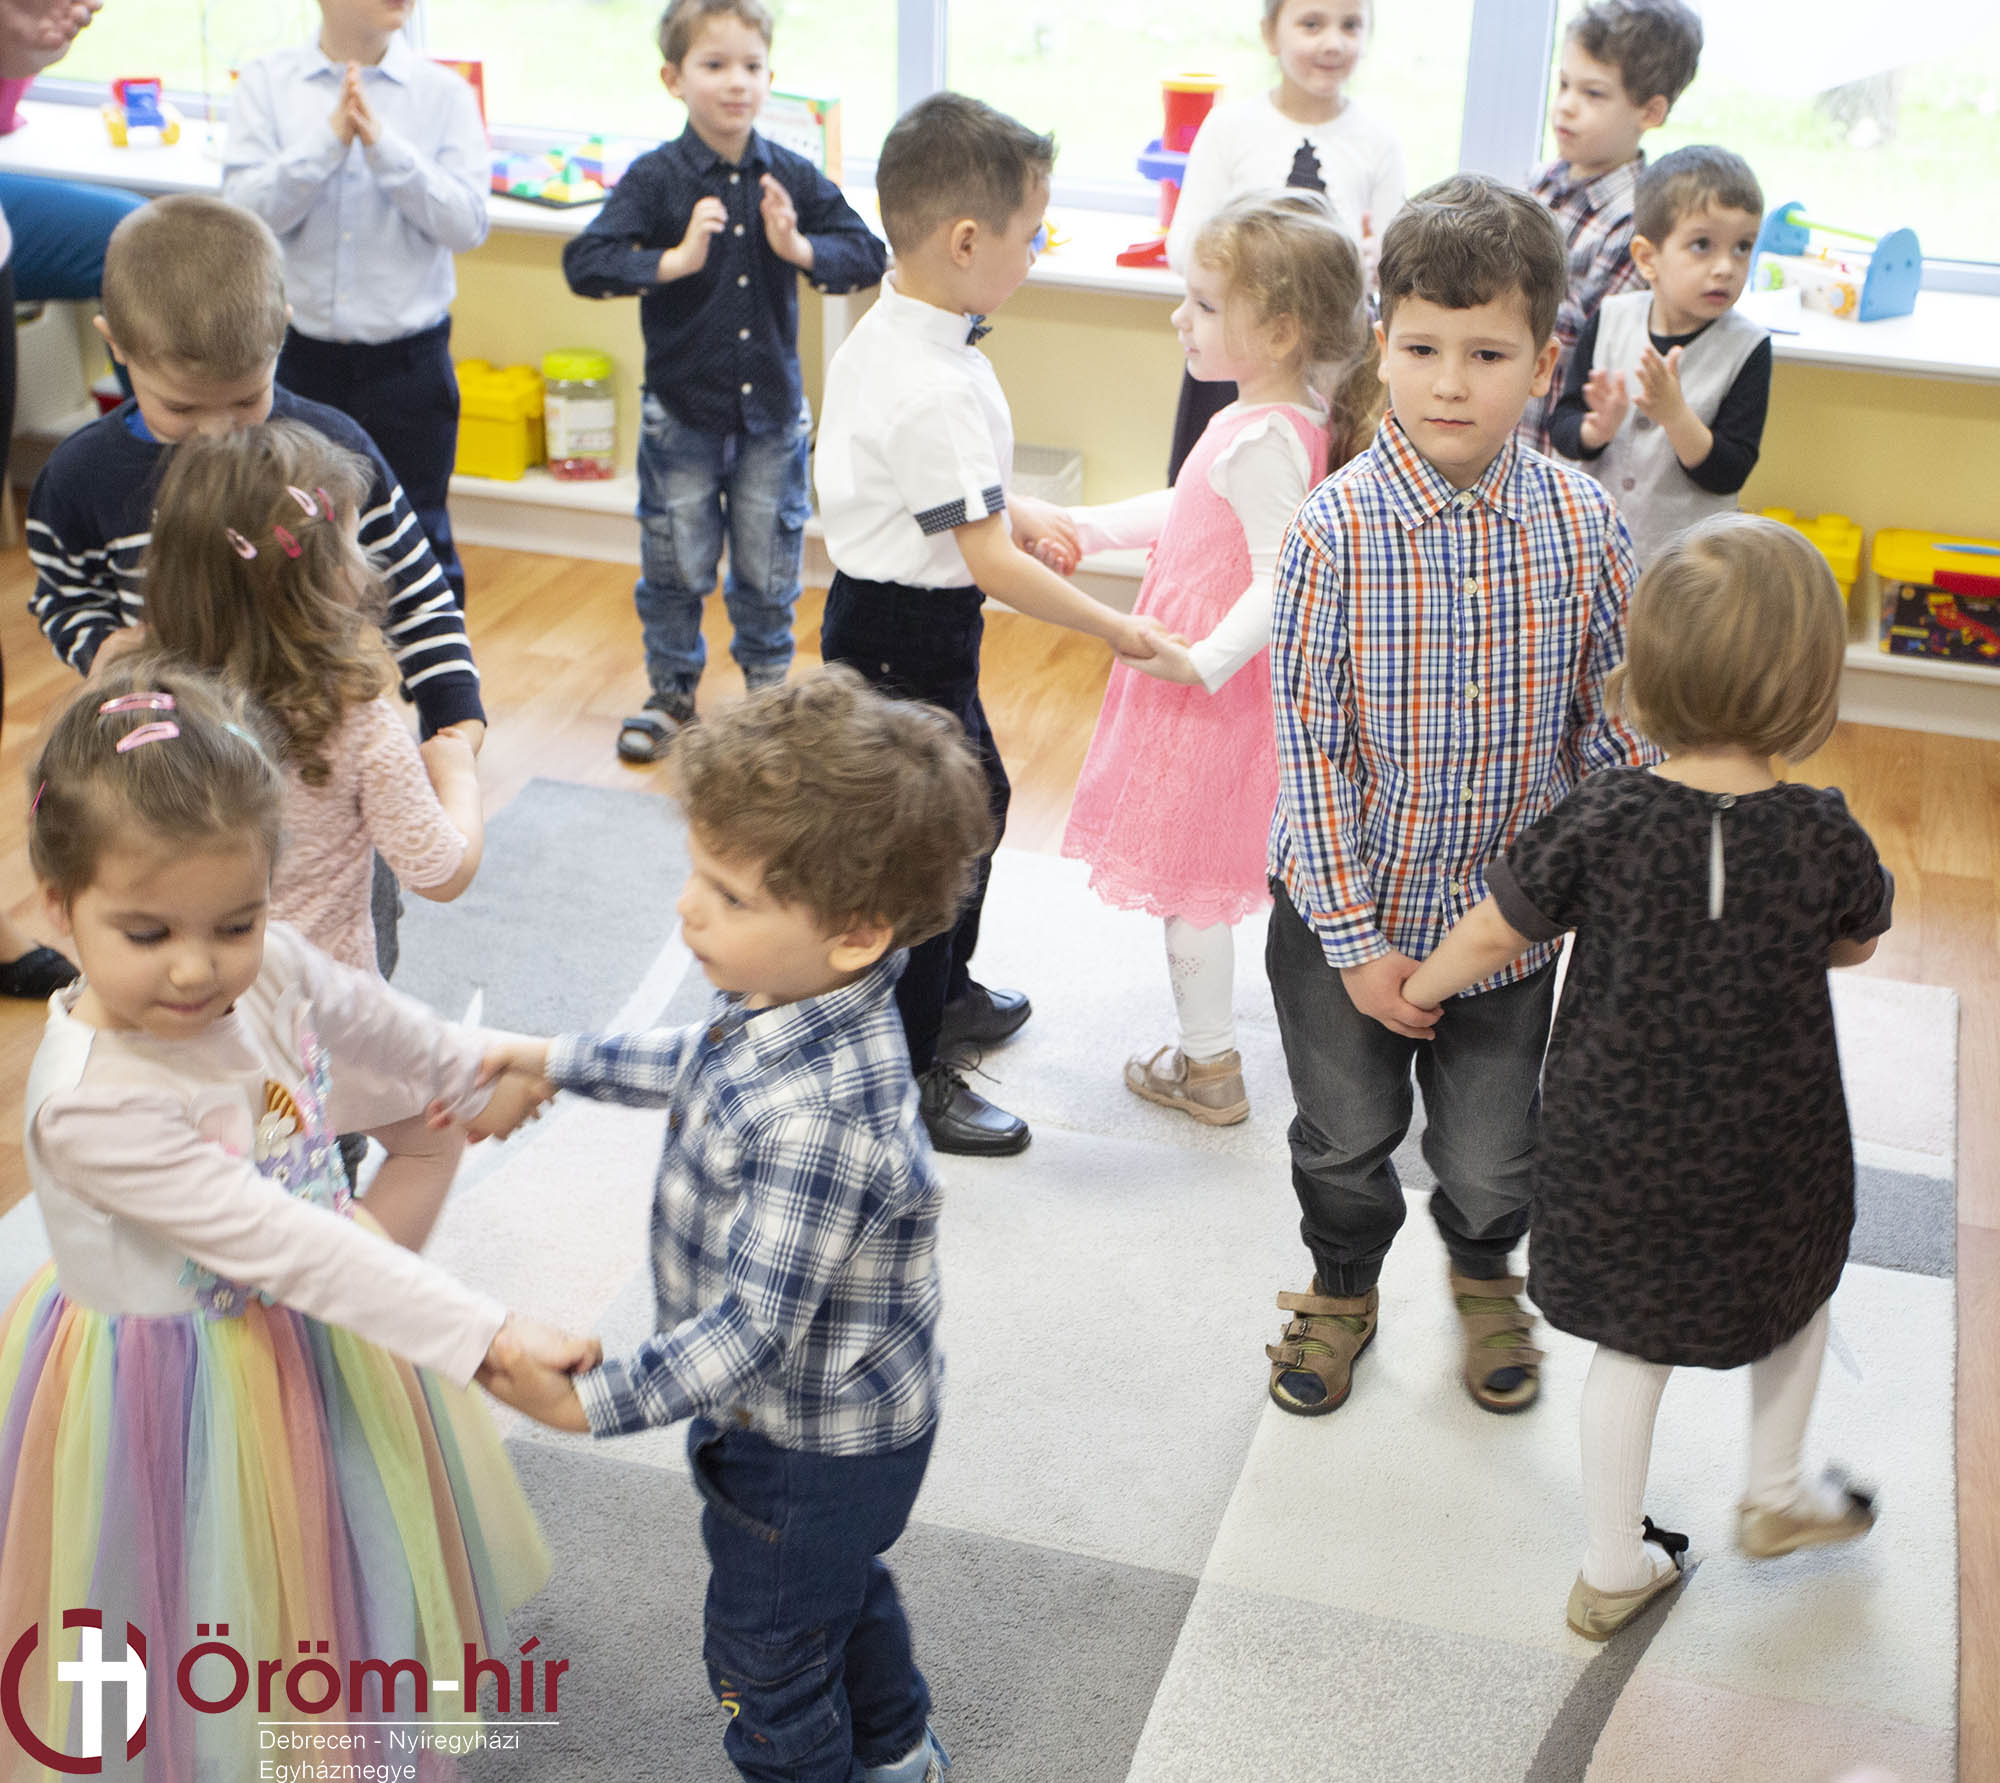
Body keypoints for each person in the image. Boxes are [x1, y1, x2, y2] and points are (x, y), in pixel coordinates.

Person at [0, 661, 596, 1777]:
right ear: (58, 908)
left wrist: (474, 1068)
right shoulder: (92, 1105)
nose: (198, 966)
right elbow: (282, 1242)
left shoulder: (263, 962)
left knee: (328, 1559)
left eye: (235, 920)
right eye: (146, 932)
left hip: (307, 1329)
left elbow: (368, 1014)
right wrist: (484, 1338)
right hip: (169, 1379)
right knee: (175, 1587)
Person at [445, 668, 994, 1783]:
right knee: (837, 1597)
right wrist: (549, 1058)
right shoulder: (785, 1001)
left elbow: (750, 1331)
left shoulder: (819, 1122)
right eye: (695, 873)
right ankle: (896, 1752)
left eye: (729, 897)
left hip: (808, 1444)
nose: (687, 909)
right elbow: (697, 1060)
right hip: (810, 1419)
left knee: (766, 1653)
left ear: (854, 932)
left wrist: (588, 1400)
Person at [1403, 514, 1891, 1639]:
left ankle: (1611, 1564)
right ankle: (1774, 1493)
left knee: (1631, 1349)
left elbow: (1496, 928)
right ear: (1809, 683)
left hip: (1617, 1149)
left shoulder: (1606, 815)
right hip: (1772, 1152)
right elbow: (1855, 942)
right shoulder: (1821, 834)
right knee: (1797, 1301)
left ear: (1648, 669)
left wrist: (1420, 989)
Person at [1260, 173, 1654, 1421]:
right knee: (1343, 1132)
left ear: (1541, 364)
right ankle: (1340, 1283)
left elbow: (1611, 731)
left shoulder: (1584, 525)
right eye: (1422, 349)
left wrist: (1632, 868)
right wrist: (1355, 942)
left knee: (1491, 1148)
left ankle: (1485, 1272)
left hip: (1505, 928)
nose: (1448, 382)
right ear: (1380, 348)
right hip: (1345, 915)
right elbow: (1309, 753)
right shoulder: (1330, 531)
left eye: (1485, 354)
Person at [812, 91, 1164, 1157]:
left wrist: (1027, 508)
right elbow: (989, 562)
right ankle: (910, 1067)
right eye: (1032, 233)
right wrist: (1114, 627)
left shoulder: (907, 336)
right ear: (967, 241)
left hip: (909, 624)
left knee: (982, 806)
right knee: (928, 854)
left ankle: (947, 992)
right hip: (902, 635)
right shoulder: (926, 380)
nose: (1037, 252)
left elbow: (955, 495)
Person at [24, 192, 484, 980]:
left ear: (280, 336)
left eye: (246, 399)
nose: (218, 432)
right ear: (116, 347)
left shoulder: (330, 455)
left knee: (353, 961)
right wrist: (99, 646)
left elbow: (413, 588)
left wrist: (454, 712)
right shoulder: (80, 478)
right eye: (182, 406)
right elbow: (63, 594)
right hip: (174, 784)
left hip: (322, 765)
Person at [1054, 190, 1377, 1126]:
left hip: (1214, 691)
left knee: (1192, 878)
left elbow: (1280, 578)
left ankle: (1208, 1066)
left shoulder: (1270, 437)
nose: (1178, 317)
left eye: (1200, 303)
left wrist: (1201, 663)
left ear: (1278, 331)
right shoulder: (1267, 420)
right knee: (1196, 869)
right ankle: (1212, 1053)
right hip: (1206, 677)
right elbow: (1190, 505)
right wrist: (1083, 527)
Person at [141, 419, 486, 1243]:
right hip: (316, 1020)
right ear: (323, 581)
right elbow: (440, 869)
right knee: (434, 1135)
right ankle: (350, 1288)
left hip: (176, 1010)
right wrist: (459, 777)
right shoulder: (354, 723)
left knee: (241, 1175)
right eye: (355, 544)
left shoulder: (146, 714)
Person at [562, 0, 886, 763]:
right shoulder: (656, 178)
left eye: (752, 66)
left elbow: (867, 253)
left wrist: (798, 246)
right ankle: (671, 694)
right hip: (680, 415)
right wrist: (671, 262)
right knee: (675, 562)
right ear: (674, 79)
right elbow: (586, 262)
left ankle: (767, 700)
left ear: (770, 76)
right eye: (714, 65)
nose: (737, 82)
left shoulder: (788, 174)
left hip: (771, 416)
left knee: (768, 567)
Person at [223, 0, 490, 608]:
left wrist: (383, 147)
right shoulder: (267, 82)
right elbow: (243, 216)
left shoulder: (443, 93)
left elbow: (467, 225)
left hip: (409, 363)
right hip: (294, 359)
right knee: (288, 532)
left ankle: (431, 669)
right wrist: (328, 142)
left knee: (418, 531)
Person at [1162, 0, 1404, 482]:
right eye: (1311, 24)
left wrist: (1374, 260)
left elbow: (1394, 259)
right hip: (1237, 349)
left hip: (1334, 365)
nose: (1333, 42)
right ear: (1271, 33)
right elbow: (1183, 244)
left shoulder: (1379, 141)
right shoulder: (1230, 128)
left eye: (1351, 25)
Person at [1547, 145, 1770, 566]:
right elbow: (1562, 424)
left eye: (1743, 247)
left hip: (1685, 567)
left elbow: (1729, 471)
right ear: (1648, 259)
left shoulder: (1748, 348)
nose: (1726, 267)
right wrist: (1595, 429)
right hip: (1587, 549)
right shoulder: (1610, 317)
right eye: (1702, 245)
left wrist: (1675, 415)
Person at [1520, 0, 1703, 452]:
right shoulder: (1540, 184)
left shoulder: (1638, 225)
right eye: (1564, 85)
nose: (1566, 106)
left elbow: (1599, 354)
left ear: (1650, 112)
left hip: (1557, 449)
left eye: (1593, 94)